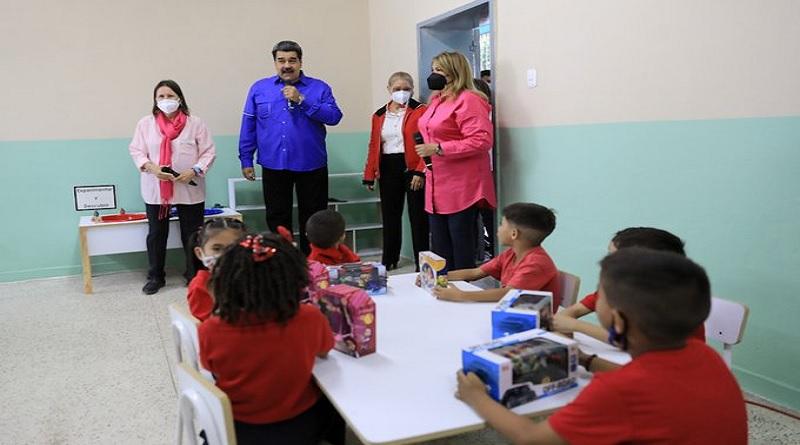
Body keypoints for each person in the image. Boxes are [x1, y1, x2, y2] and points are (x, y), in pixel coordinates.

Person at [456, 248, 748, 445]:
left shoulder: (617, 391)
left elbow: (532, 438)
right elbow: (656, 386)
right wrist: (586, 360)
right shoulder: (705, 355)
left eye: (601, 296)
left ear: (618, 320)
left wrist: (476, 397)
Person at [199, 233, 344, 445]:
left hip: (237, 428)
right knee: (337, 409)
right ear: (294, 279)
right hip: (299, 424)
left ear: (226, 280)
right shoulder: (310, 317)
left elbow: (211, 368)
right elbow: (324, 351)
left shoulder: (210, 329)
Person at [238, 40, 343, 254]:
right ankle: (283, 262)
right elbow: (249, 125)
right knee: (277, 219)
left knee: (314, 220)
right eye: (281, 60)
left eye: (292, 60)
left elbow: (334, 117)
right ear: (275, 63)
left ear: (300, 62)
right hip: (274, 164)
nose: (287, 65)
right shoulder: (259, 89)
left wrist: (302, 99)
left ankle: (313, 263)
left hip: (311, 164)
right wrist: (246, 158)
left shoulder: (319, 88)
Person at [129, 79, 216, 295]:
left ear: (179, 98)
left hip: (189, 187)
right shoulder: (145, 124)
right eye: (161, 96)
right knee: (157, 234)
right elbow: (137, 150)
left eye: (170, 96)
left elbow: (208, 151)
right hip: (157, 189)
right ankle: (156, 276)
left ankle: (195, 275)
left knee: (192, 234)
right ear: (155, 100)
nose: (166, 100)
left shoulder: (195, 123)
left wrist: (194, 170)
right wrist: (152, 167)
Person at [552, 227, 707, 345]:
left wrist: (576, 325)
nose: (607, 263)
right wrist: (566, 324)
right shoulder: (619, 288)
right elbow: (575, 311)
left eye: (614, 258)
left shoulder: (666, 303)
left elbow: (631, 341)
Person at [416, 51, 496, 270]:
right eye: (433, 70)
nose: (434, 74)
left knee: (460, 245)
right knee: (440, 247)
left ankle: (463, 287)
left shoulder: (469, 100)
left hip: (462, 185)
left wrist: (440, 148)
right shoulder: (436, 100)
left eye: (439, 70)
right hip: (436, 183)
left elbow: (481, 140)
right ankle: (444, 285)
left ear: (454, 72)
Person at [363, 72, 429, 271]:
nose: (402, 92)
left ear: (412, 90)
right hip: (388, 166)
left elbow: (427, 141)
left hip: (412, 166)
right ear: (389, 90)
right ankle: (389, 259)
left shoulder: (421, 110)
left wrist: (420, 171)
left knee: (418, 217)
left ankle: (421, 262)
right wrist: (369, 174)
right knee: (390, 216)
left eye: (406, 89)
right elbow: (374, 145)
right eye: (397, 89)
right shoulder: (379, 115)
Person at [433, 203, 560, 304]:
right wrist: (436, 276)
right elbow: (475, 273)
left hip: (532, 322)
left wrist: (461, 295)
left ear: (514, 234)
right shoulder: (511, 253)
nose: (498, 229)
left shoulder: (536, 263)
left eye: (501, 225)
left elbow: (508, 293)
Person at [186, 218, 246, 321]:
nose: (226, 255)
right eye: (217, 249)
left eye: (234, 248)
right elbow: (210, 325)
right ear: (200, 253)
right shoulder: (200, 286)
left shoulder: (250, 276)